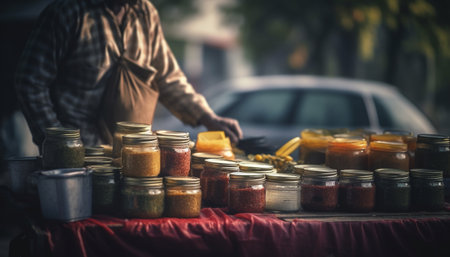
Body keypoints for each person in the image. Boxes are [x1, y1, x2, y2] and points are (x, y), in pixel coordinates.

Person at [15, 0, 243, 149]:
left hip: (132, 157)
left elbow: (168, 77)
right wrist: (57, 143)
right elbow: (30, 82)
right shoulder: (67, 13)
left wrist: (208, 117)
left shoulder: (145, 13)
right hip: (79, 157)